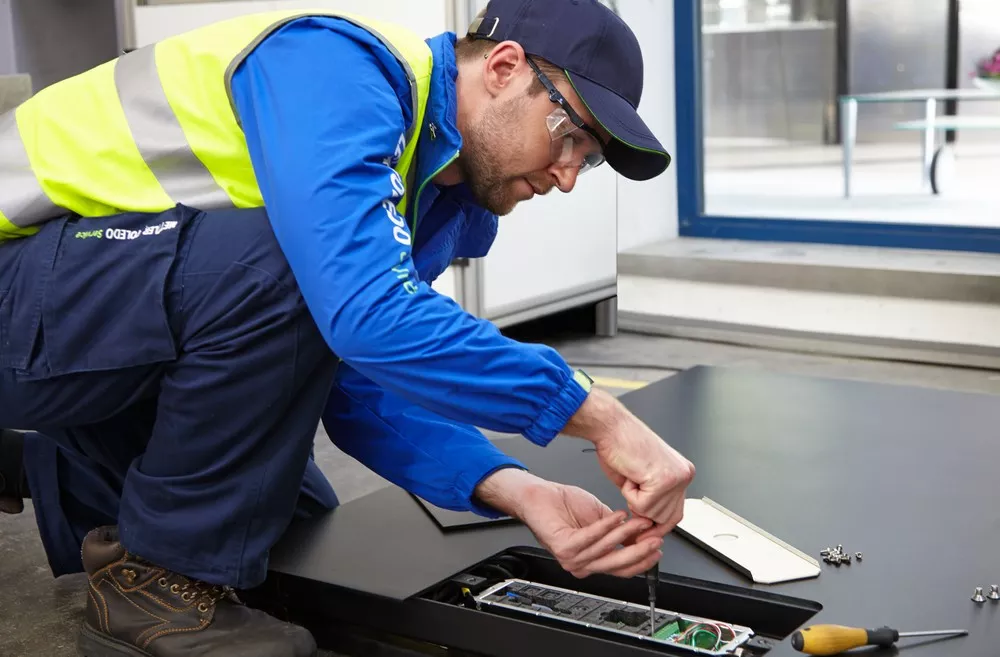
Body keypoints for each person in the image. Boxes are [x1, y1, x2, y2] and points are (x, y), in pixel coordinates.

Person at [0, 1, 695, 655]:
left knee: (292, 534)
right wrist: (595, 414)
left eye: (590, 155)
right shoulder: (336, 65)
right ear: (506, 66)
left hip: (72, 315)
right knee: (284, 269)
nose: (569, 175)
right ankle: (151, 582)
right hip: (14, 282)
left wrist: (514, 485)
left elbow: (363, 384)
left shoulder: (432, 186)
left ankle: (45, 460)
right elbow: (363, 315)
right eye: (569, 134)